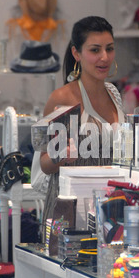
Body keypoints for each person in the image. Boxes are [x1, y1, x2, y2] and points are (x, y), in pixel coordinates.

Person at [37, 16, 125, 237]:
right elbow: (44, 164)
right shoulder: (62, 98)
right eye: (95, 50)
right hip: (69, 217)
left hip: (108, 213)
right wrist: (61, 156)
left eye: (109, 48)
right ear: (77, 53)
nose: (104, 57)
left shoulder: (114, 94)